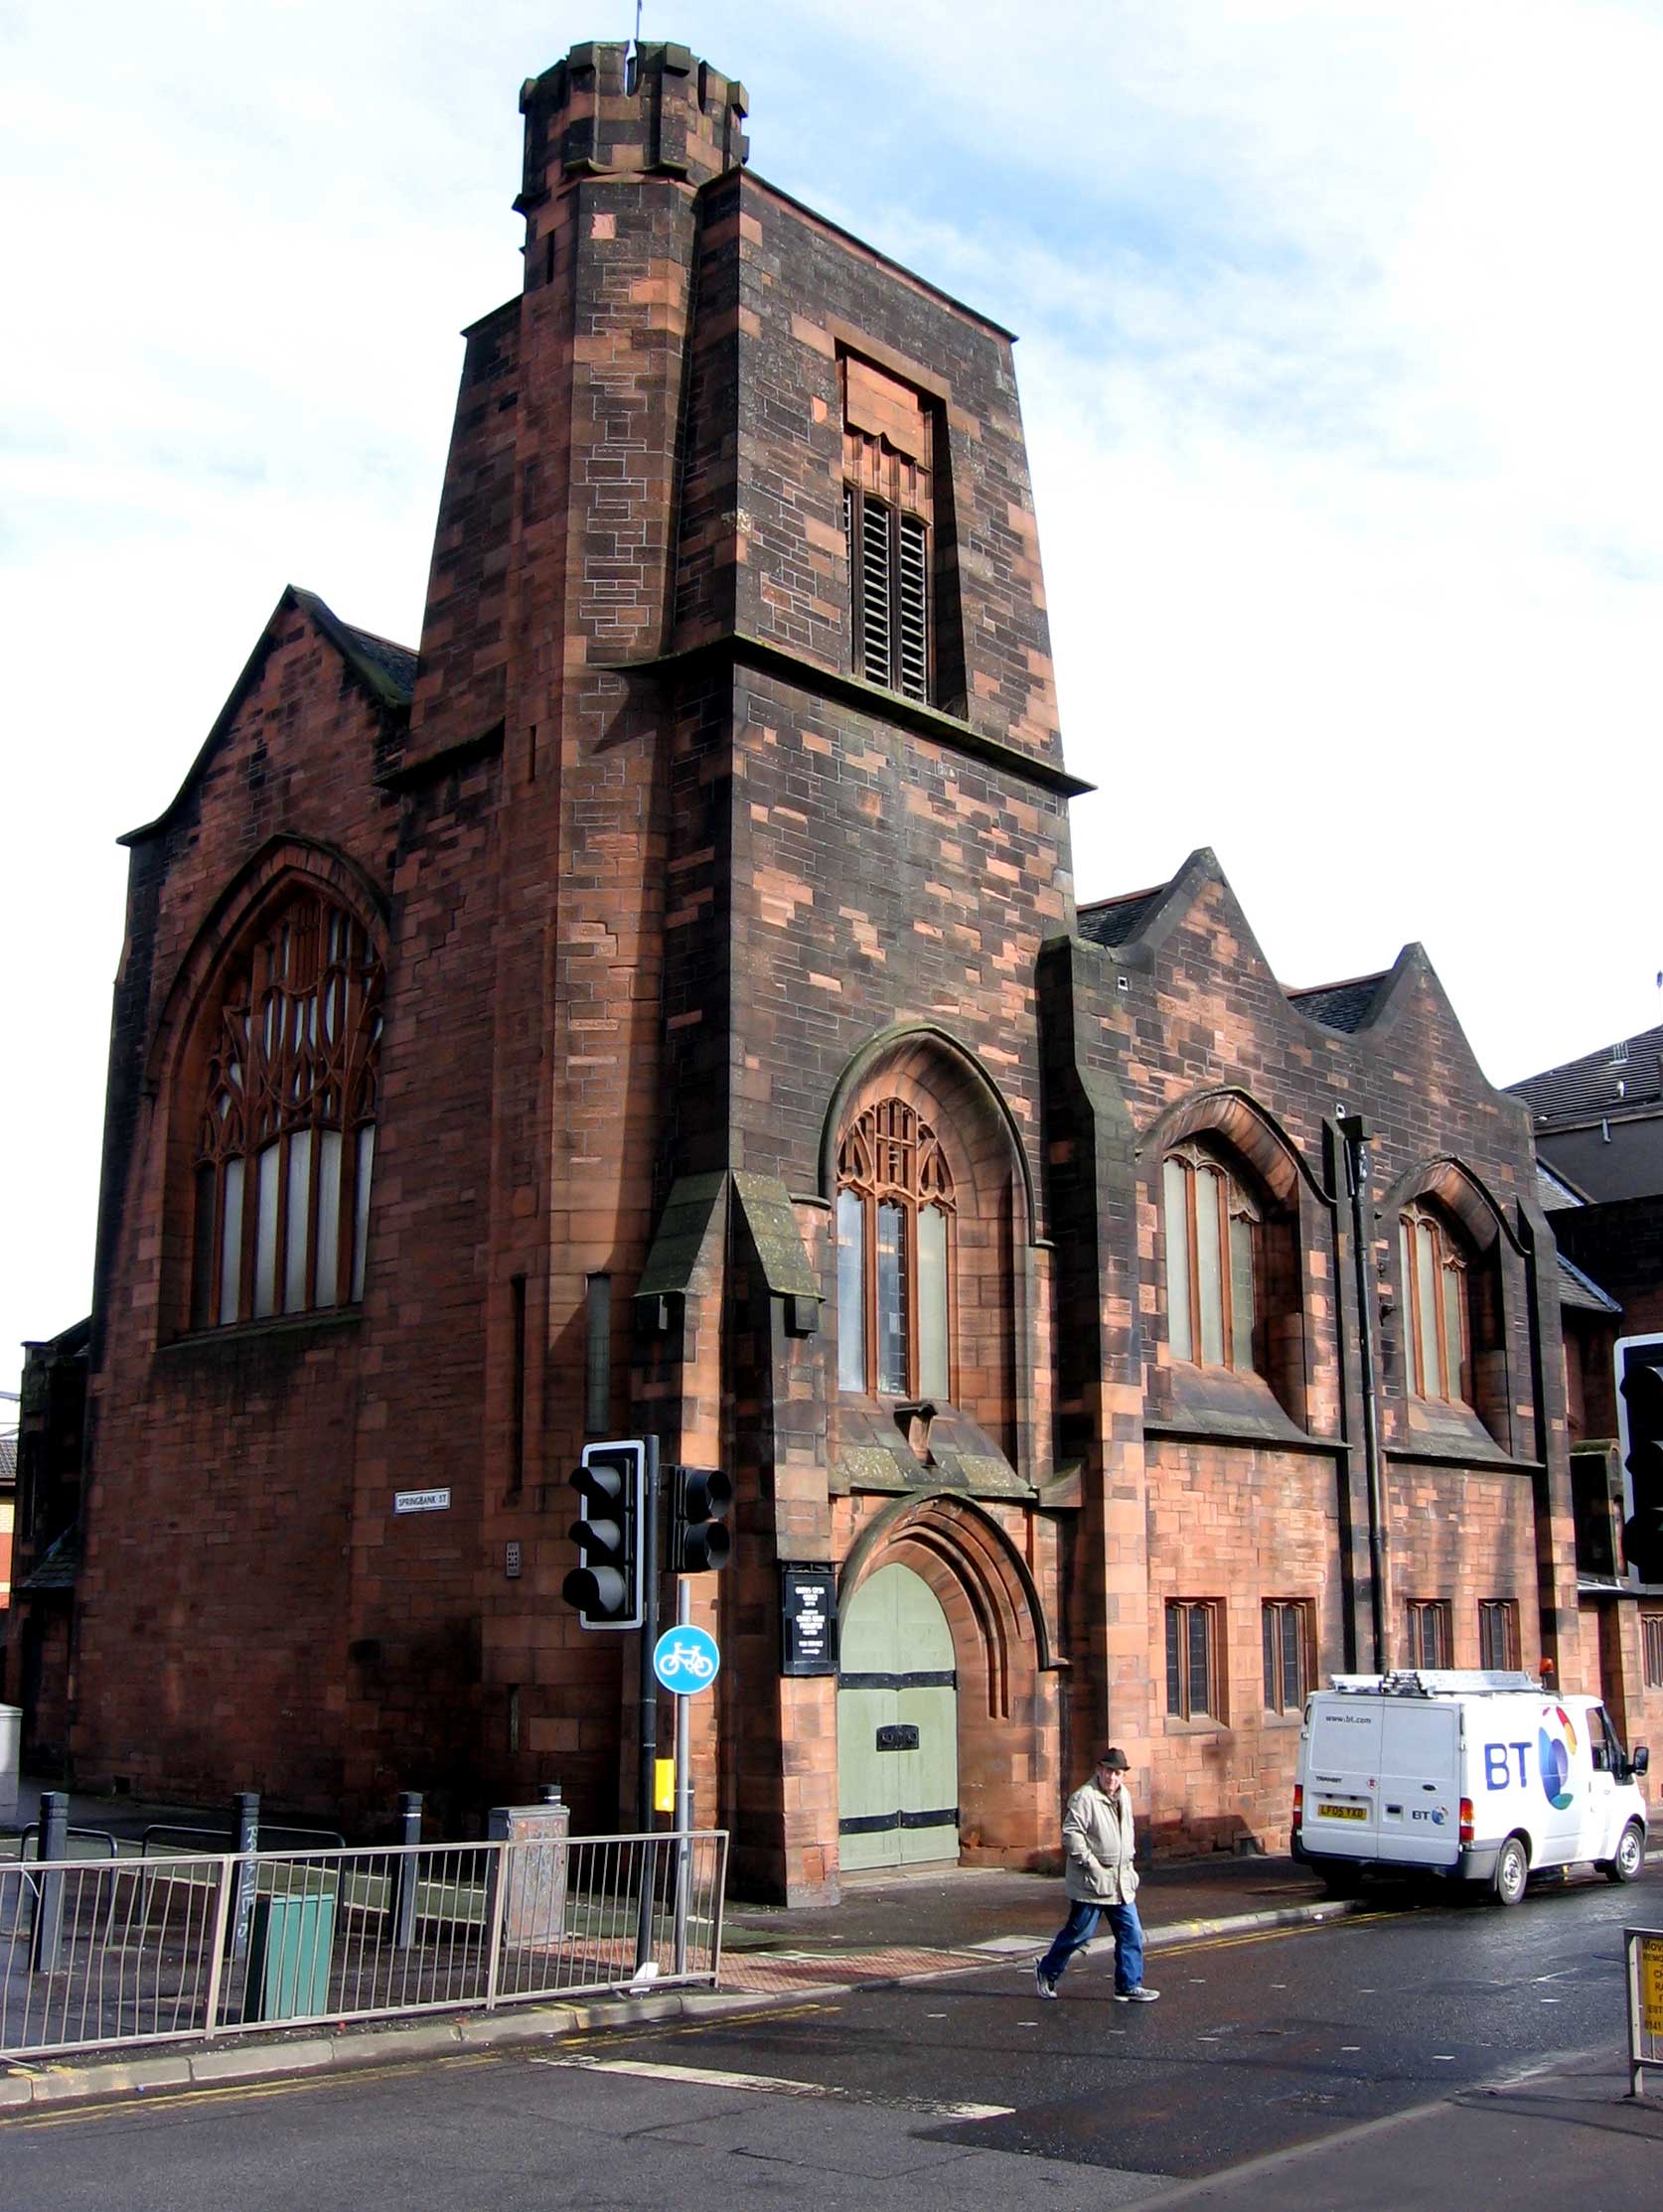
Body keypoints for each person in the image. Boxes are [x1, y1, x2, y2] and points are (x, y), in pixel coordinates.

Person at [1033, 1746, 1159, 2002]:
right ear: (1099, 1771)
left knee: (1132, 1933)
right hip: (1092, 1882)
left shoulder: (1124, 1797)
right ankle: (1047, 1970)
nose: (1112, 1778)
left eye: (1117, 1773)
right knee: (1079, 1934)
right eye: (1108, 1771)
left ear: (1123, 1775)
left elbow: (1127, 1834)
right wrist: (1091, 1865)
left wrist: (1130, 1866)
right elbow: (1071, 1835)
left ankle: (1128, 1984)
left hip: (1121, 1882)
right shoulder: (1085, 1798)